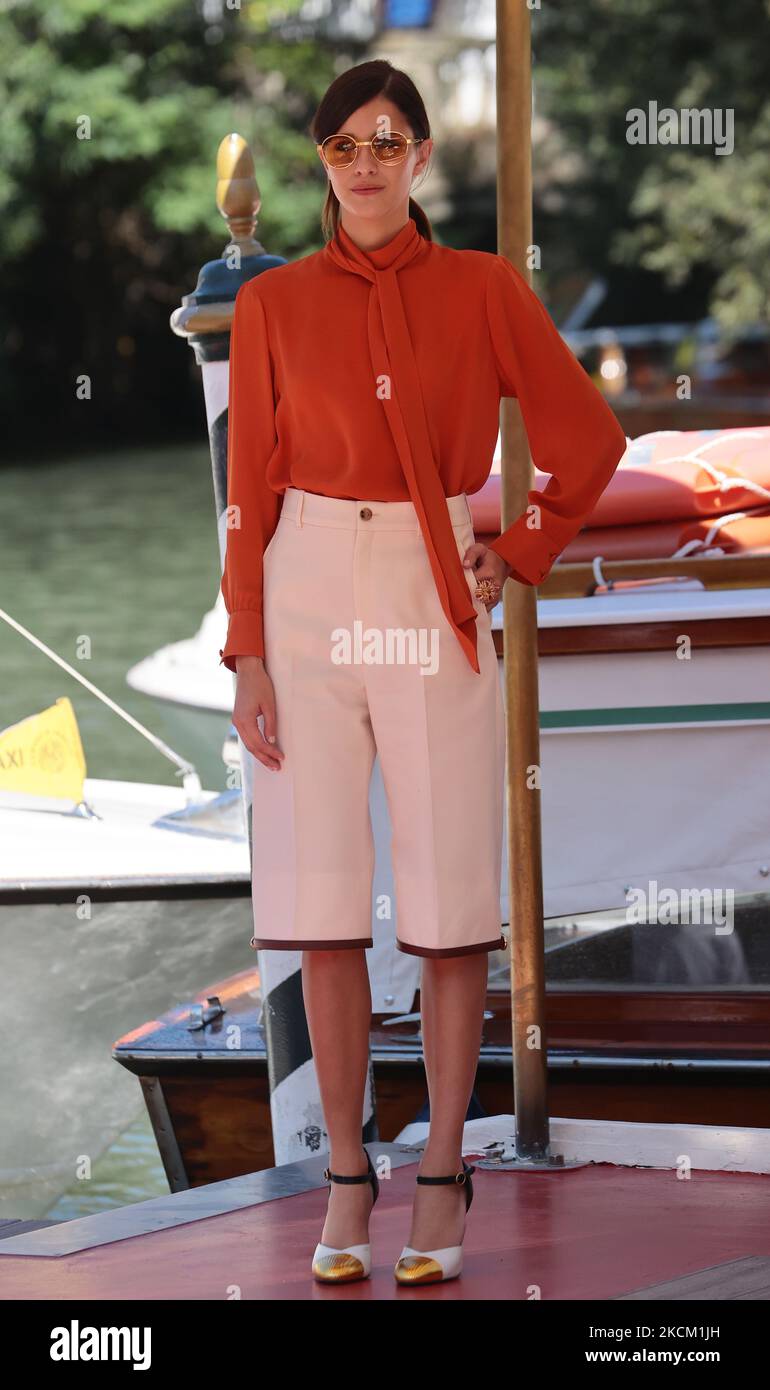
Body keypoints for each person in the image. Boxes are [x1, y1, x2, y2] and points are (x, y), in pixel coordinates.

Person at [219, 59, 628, 1287]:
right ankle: (350, 1168)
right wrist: (244, 647)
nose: (365, 164)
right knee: (322, 907)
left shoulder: (483, 290)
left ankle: (443, 1163)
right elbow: (246, 501)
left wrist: (525, 548)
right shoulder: (271, 306)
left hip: (431, 573)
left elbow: (587, 436)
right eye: (342, 146)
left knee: (450, 910)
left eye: (386, 140)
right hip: (300, 586)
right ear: (321, 163)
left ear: (419, 154)